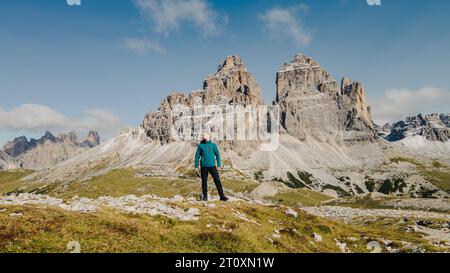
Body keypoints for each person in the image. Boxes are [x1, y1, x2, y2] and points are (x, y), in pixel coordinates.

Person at [194, 134, 228, 201]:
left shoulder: (213, 145)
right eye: (202, 136)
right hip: (204, 167)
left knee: (217, 180)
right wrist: (196, 166)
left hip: (212, 166)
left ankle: (222, 196)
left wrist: (219, 165)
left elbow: (217, 155)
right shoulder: (200, 145)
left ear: (208, 137)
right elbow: (197, 156)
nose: (202, 136)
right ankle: (205, 197)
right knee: (204, 182)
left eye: (204, 136)